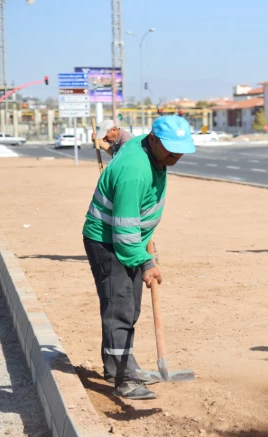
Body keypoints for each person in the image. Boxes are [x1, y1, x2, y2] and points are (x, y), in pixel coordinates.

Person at [82, 115, 196, 399]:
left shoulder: (147, 149)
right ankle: (125, 378)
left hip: (132, 239)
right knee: (119, 307)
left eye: (181, 148)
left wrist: (116, 135)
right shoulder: (135, 170)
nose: (176, 154)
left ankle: (115, 365)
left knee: (129, 309)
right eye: (171, 148)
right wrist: (145, 262)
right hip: (109, 241)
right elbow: (124, 228)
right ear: (154, 140)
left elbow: (124, 139)